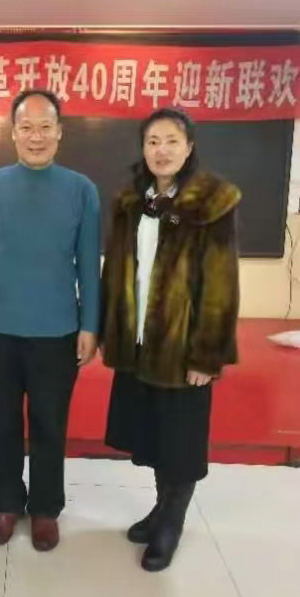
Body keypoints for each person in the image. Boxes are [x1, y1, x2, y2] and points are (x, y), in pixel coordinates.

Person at [100, 107, 240, 571]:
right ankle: (160, 509)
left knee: (180, 442)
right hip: (139, 343)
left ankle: (171, 523)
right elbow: (116, 270)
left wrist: (207, 355)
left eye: (171, 141)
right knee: (155, 434)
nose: (161, 151)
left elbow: (221, 285)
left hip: (183, 347)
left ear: (189, 147)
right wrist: (109, 329)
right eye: (153, 141)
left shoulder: (211, 202)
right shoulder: (132, 200)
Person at [0, 89, 101, 552]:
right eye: (27, 127)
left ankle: (45, 509)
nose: (36, 136)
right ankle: (5, 503)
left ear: (60, 133)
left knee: (49, 425)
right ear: (13, 133)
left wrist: (89, 324)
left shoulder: (81, 190)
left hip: (58, 331)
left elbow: (88, 262)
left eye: (45, 127)